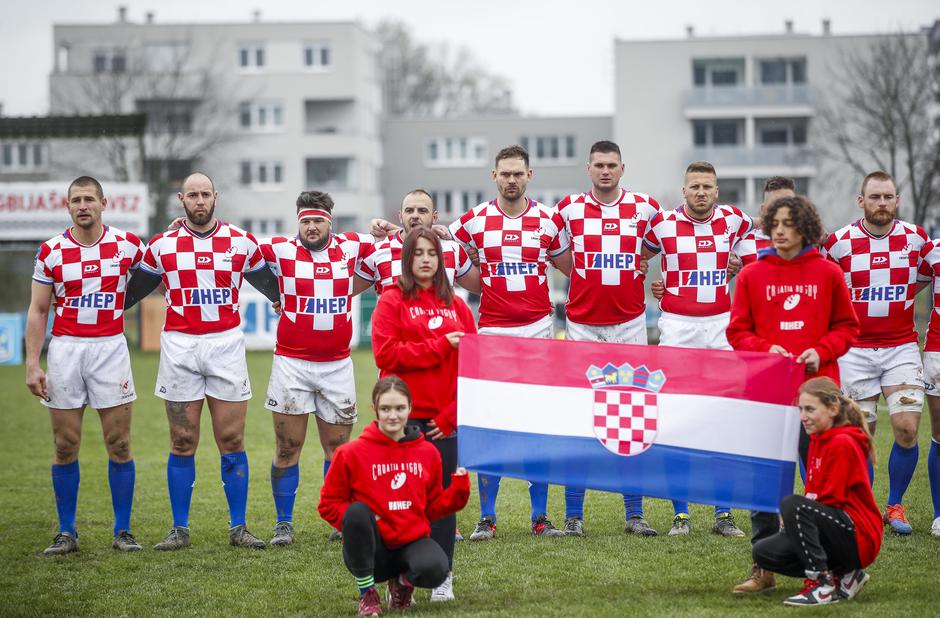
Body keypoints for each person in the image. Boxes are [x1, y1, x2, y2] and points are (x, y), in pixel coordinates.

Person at [124, 172, 279, 550]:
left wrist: (284, 300)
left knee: (231, 438)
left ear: (215, 197)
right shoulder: (161, 245)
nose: (199, 201)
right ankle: (179, 529)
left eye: (205, 194)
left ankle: (239, 527)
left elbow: (273, 285)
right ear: (181, 199)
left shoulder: (241, 242)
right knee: (182, 439)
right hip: (180, 348)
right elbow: (130, 291)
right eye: (192, 194)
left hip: (226, 345)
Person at [727, 195, 860, 593]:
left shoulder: (828, 272)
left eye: (789, 223)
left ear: (805, 227)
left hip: (818, 393)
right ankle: (761, 567)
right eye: (775, 223)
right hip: (767, 391)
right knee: (764, 481)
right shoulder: (752, 274)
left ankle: (834, 568)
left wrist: (821, 352)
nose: (781, 230)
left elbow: (848, 328)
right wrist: (767, 350)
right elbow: (737, 332)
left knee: (824, 480)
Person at [446, 144, 572, 540]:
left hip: (537, 332)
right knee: (492, 427)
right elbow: (448, 254)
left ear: (529, 176)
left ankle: (540, 517)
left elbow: (570, 267)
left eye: (519, 173)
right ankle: (487, 518)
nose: (512, 179)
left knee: (536, 428)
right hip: (493, 335)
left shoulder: (549, 221)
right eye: (505, 173)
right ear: (494, 176)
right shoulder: (473, 221)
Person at [26, 176, 144, 555]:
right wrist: (32, 363)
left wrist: (179, 232)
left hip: (110, 349)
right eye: (76, 200)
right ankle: (66, 532)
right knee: (65, 445)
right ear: (68, 206)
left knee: (120, 443)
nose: (83, 205)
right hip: (65, 351)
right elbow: (39, 309)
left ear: (103, 203)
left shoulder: (127, 245)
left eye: (89, 199)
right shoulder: (52, 251)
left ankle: (122, 531)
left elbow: (164, 265)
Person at [554, 140, 661, 537]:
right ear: (588, 169)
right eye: (598, 164)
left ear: (622, 168)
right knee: (579, 422)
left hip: (630, 325)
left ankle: (635, 514)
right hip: (582, 326)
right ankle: (573, 516)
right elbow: (543, 243)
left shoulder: (646, 207)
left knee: (630, 419)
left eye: (611, 165)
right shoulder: (567, 209)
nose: (605, 171)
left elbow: (669, 239)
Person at [643, 160, 755, 538]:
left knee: (723, 419)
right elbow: (638, 257)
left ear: (717, 190)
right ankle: (681, 514)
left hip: (722, 327)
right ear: (684, 189)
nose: (701, 192)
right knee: (680, 419)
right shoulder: (661, 224)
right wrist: (658, 287)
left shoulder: (736, 221)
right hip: (678, 328)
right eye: (695, 187)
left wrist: (739, 265)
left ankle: (723, 514)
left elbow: (755, 258)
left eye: (708, 186)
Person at [258, 191, 376, 546]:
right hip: (291, 364)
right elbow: (231, 246)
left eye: (318, 221)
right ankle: (283, 523)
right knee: (287, 446)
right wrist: (182, 231)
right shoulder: (278, 249)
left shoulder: (353, 247)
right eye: (306, 221)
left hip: (337, 365)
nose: (311, 227)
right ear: (298, 222)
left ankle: (339, 520)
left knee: (339, 449)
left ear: (330, 222)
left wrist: (385, 227)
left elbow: (396, 243)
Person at [371, 227, 477, 601]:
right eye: (418, 253)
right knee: (400, 501)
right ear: (407, 259)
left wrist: (449, 416)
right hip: (401, 422)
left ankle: (443, 574)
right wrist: (436, 346)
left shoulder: (458, 306)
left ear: (441, 258)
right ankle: (401, 579)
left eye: (432, 252)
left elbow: (472, 367)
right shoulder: (391, 300)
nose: (426, 259)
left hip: (442, 424)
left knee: (443, 502)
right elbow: (387, 355)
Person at [821, 170, 928, 535]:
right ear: (861, 200)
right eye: (875, 197)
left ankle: (895, 505)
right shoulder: (839, 243)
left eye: (888, 197)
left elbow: (928, 276)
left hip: (901, 347)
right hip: (855, 350)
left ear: (897, 200)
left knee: (907, 429)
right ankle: (863, 506)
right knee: (861, 434)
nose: (882, 203)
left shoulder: (915, 239)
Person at [318, 377, 470, 616]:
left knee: (436, 569)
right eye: (385, 409)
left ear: (410, 408)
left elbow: (433, 508)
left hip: (410, 542)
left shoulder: (427, 452)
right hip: (373, 549)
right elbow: (328, 505)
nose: (393, 416)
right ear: (375, 409)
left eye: (399, 408)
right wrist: (362, 525)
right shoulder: (350, 453)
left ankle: (401, 585)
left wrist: (459, 490)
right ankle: (368, 594)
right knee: (357, 511)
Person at [753, 377, 882, 606]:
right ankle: (845, 574)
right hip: (836, 526)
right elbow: (816, 497)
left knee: (792, 504)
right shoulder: (817, 439)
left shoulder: (842, 442)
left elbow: (831, 500)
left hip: (859, 534)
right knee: (764, 552)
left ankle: (822, 585)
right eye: (801, 409)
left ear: (833, 409)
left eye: (810, 409)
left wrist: (796, 515)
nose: (803, 416)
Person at [360, 189, 481, 295]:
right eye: (409, 210)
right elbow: (345, 289)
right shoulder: (378, 251)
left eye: (422, 211)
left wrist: (482, 257)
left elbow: (483, 287)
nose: (415, 215)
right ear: (400, 216)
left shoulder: (452, 249)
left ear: (434, 217)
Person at [915, 239, 940, 536]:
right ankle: (938, 514)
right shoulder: (932, 249)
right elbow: (907, 286)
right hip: (937, 347)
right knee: (938, 431)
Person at [749, 177, 796, 253]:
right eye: (775, 204)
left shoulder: (812, 240)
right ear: (763, 209)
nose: (783, 209)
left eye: (789, 203)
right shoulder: (743, 242)